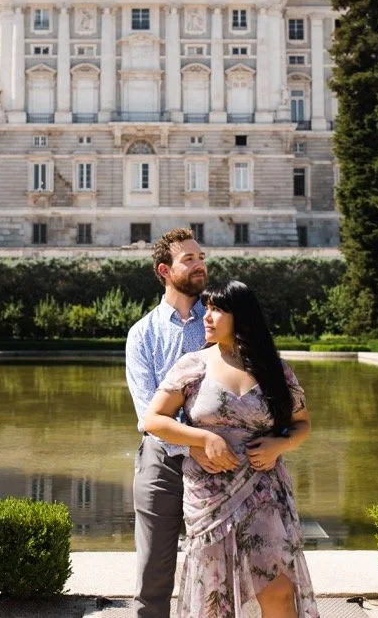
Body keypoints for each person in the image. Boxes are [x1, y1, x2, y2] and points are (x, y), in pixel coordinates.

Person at [143, 280, 318, 618]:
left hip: (264, 492)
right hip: (210, 497)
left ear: (242, 316)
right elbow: (154, 419)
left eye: (216, 309)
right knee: (215, 599)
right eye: (205, 308)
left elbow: (302, 424)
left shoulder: (274, 370)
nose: (206, 317)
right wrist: (202, 438)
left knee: (279, 591)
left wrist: (279, 444)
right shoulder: (193, 364)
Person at [126, 227, 214, 618]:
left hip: (216, 460)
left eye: (201, 257)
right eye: (189, 259)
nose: (200, 265)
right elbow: (149, 414)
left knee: (217, 568)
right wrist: (196, 443)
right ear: (165, 270)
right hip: (162, 462)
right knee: (153, 576)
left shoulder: (218, 323)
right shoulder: (141, 334)